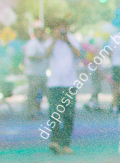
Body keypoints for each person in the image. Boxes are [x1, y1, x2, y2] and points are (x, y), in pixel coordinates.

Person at [44, 19, 81, 154]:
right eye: (58, 28)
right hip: (54, 83)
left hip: (70, 83)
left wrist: (67, 41)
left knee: (68, 114)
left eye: (63, 28)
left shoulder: (72, 40)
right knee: (54, 113)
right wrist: (54, 40)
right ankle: (54, 141)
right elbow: (45, 54)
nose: (60, 31)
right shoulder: (50, 41)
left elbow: (78, 54)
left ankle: (65, 144)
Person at [22, 22, 48, 116]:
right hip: (33, 73)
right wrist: (42, 57)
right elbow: (30, 56)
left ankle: (37, 110)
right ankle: (29, 112)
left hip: (41, 72)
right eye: (40, 32)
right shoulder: (32, 43)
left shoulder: (41, 43)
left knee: (42, 93)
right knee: (32, 94)